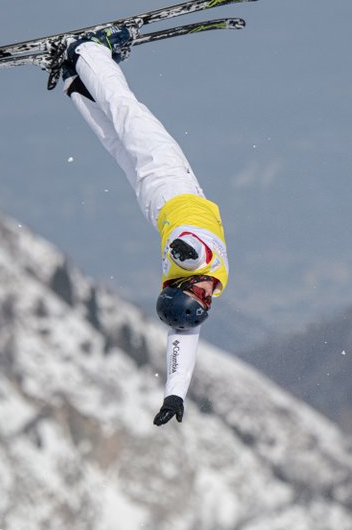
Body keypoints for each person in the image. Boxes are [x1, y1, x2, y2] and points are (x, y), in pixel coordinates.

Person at [59, 27, 229, 426]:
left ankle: (89, 51)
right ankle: (74, 79)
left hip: (171, 185)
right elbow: (181, 344)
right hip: (154, 205)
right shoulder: (187, 301)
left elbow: (182, 250)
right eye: (206, 302)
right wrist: (174, 394)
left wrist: (183, 253)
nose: (208, 296)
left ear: (184, 286)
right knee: (116, 140)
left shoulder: (190, 264)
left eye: (201, 297)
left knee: (127, 113)